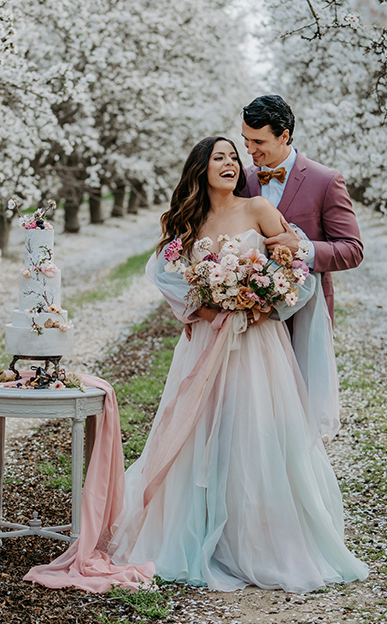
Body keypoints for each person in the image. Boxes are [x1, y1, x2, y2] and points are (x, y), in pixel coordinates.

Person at [108, 136, 368, 592]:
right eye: (219, 158)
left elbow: (298, 274)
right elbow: (165, 274)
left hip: (257, 344)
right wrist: (206, 310)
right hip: (207, 341)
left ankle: (259, 539)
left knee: (255, 432)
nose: (230, 164)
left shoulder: (259, 211)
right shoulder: (185, 222)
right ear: (200, 169)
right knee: (199, 433)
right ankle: (194, 532)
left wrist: (263, 304)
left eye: (234, 156)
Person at [241, 95, 363, 323]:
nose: (249, 150)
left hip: (307, 313)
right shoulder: (242, 181)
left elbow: (352, 250)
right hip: (252, 318)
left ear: (284, 136)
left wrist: (302, 249)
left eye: (258, 142)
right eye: (246, 140)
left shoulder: (326, 181)